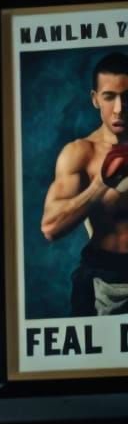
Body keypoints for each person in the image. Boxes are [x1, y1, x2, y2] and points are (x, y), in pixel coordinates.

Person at [39, 47, 128, 316]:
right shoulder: (81, 153)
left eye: (127, 97)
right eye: (109, 97)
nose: (119, 109)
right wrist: (101, 184)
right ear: (95, 99)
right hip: (101, 278)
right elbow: (50, 228)